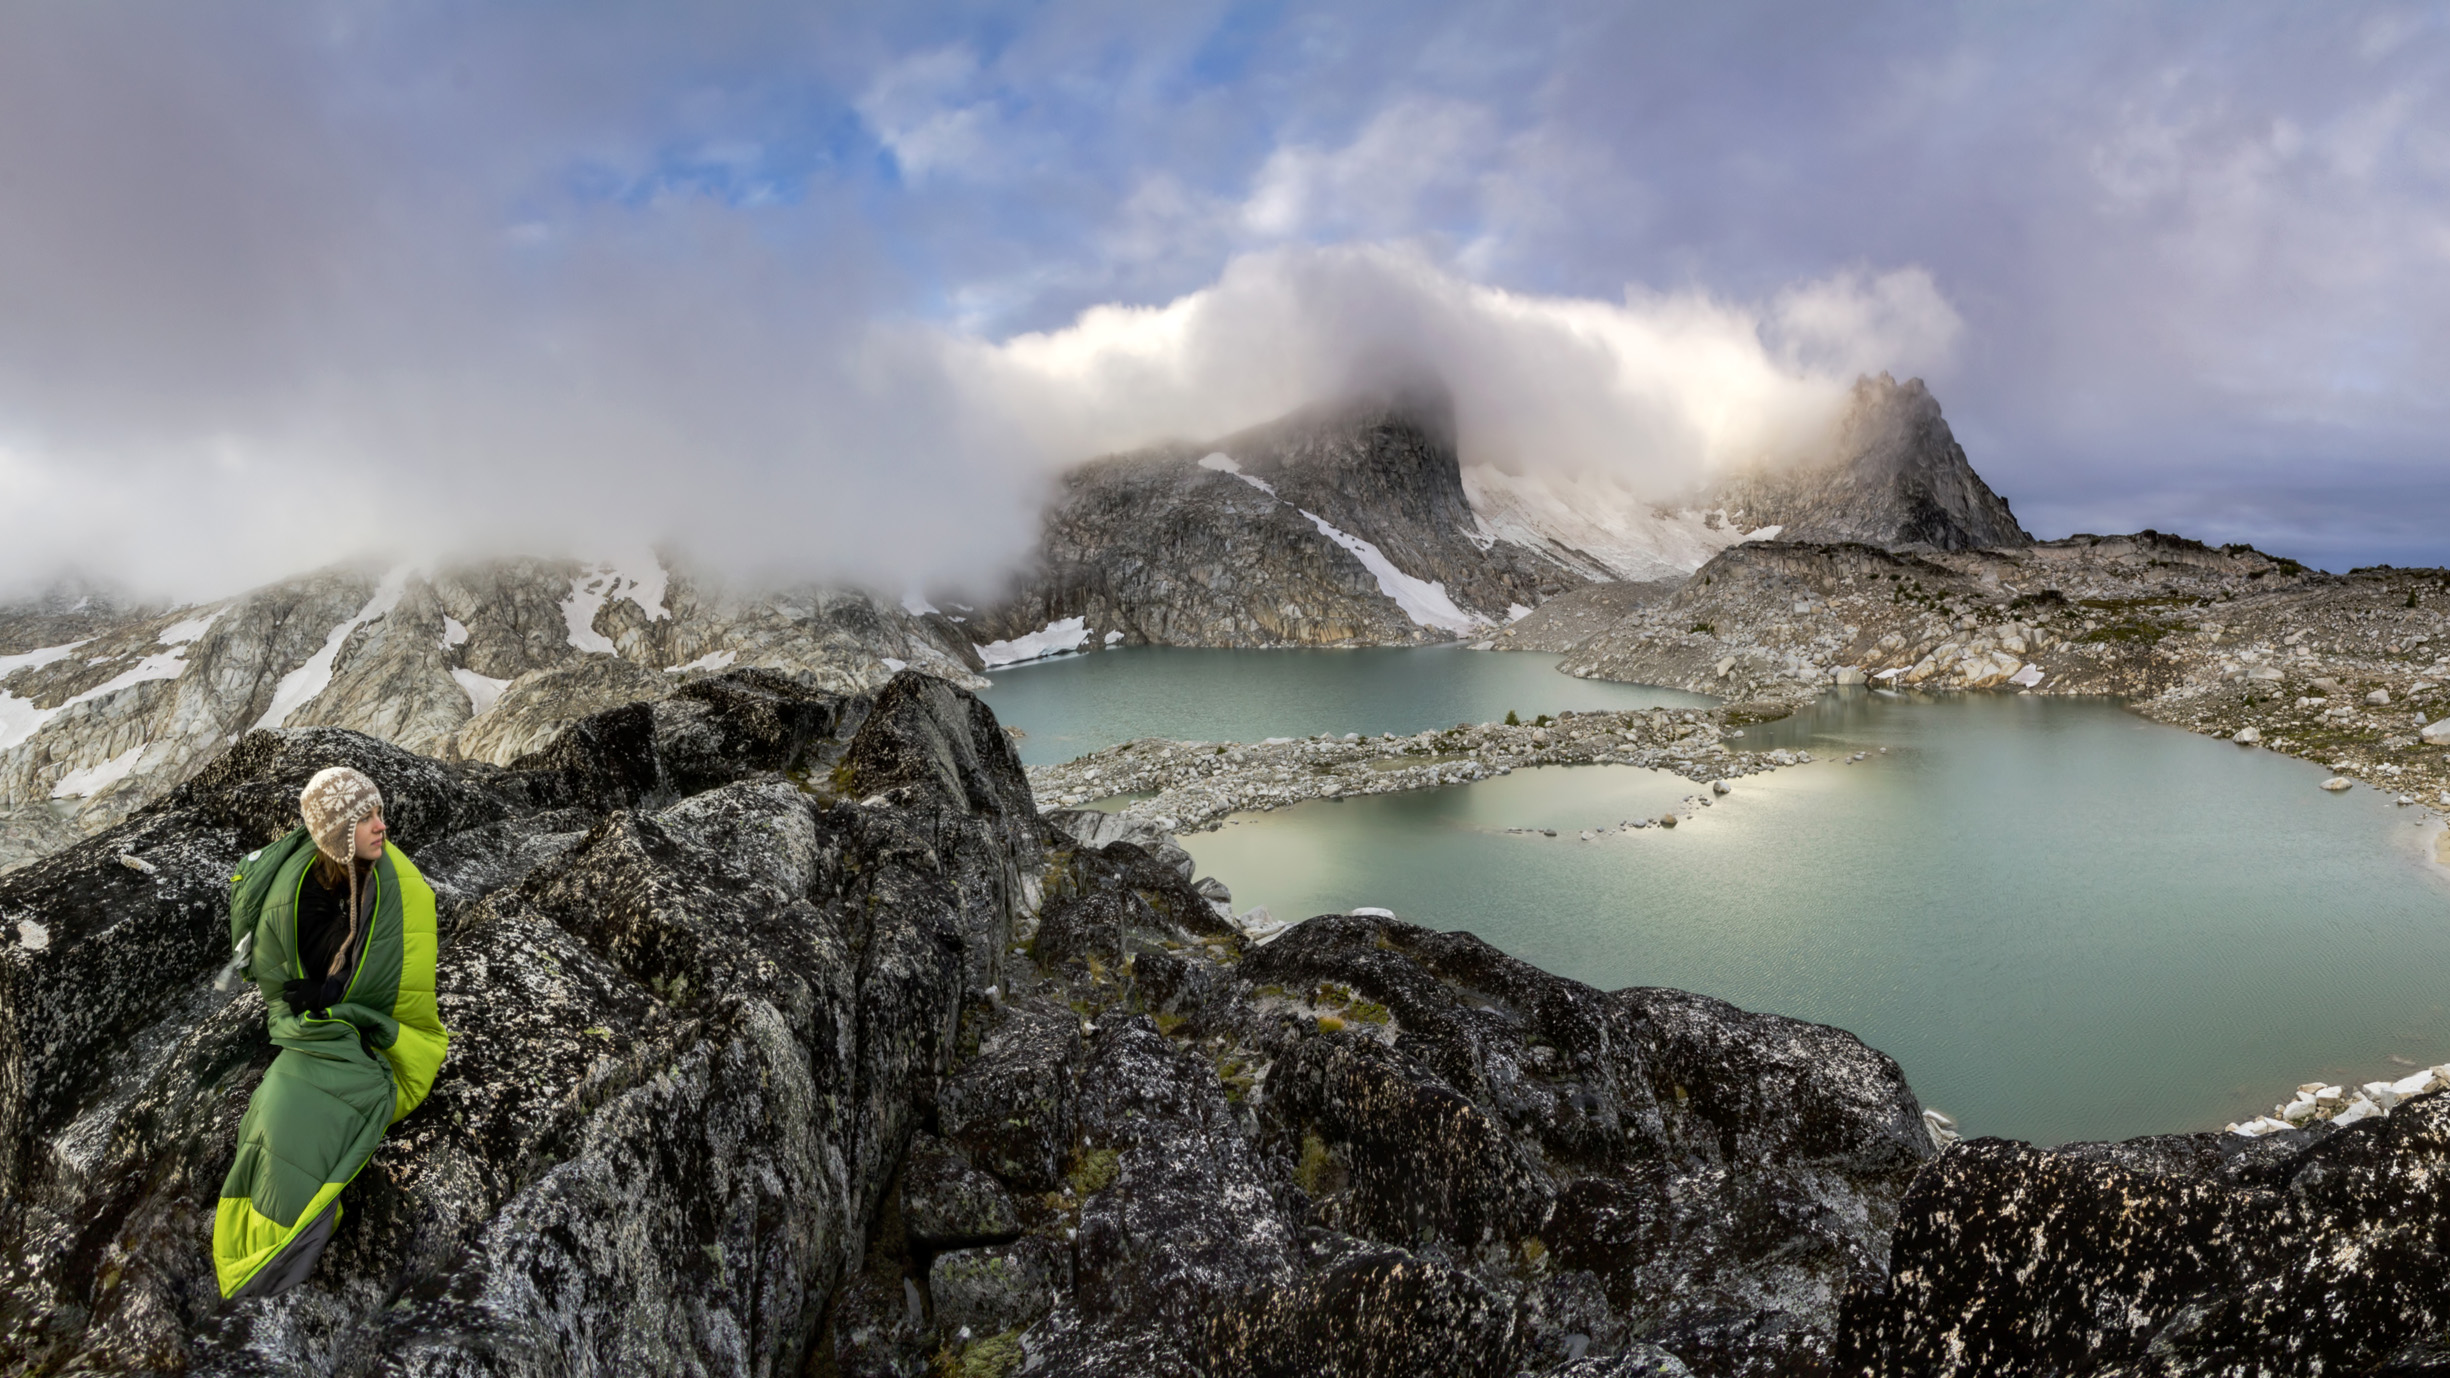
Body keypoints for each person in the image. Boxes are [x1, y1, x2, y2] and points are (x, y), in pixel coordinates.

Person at [211, 766, 449, 1300]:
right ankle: (265, 1251)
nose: (380, 826)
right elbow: (315, 959)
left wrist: (334, 997)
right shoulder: (314, 894)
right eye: (364, 818)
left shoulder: (372, 877)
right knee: (276, 1112)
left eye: (380, 812)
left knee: (300, 1111)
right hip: (320, 1033)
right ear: (337, 836)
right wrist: (324, 996)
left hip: (371, 1034)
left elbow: (387, 969)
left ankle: (277, 1244)